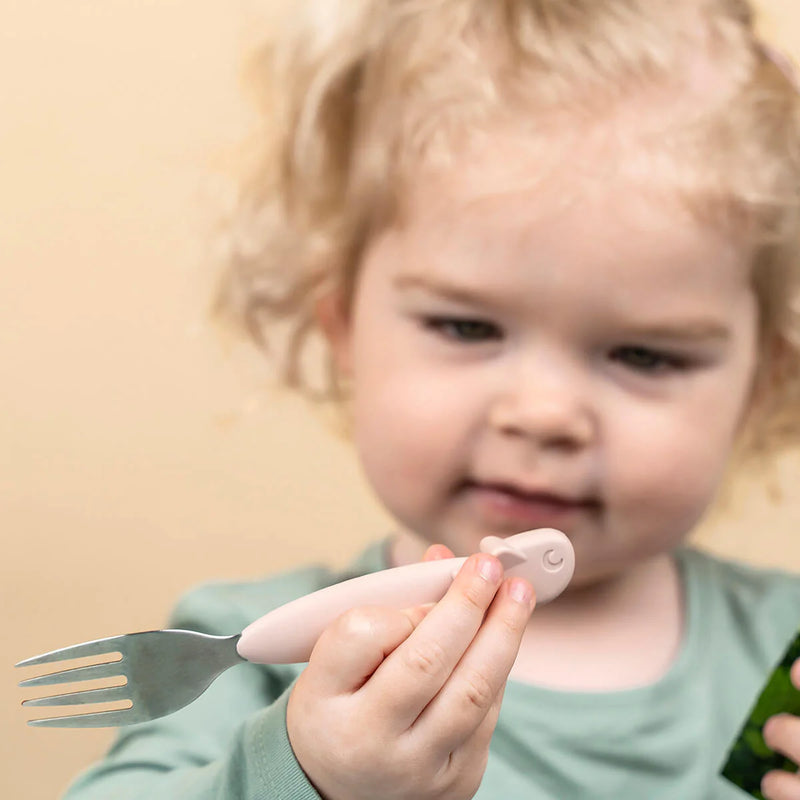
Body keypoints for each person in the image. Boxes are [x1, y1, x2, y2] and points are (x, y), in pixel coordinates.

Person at [63, 1, 800, 798]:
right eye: (467, 326)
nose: (543, 414)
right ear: (344, 325)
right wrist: (304, 775)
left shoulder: (785, 656)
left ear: (764, 380)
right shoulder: (250, 660)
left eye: (643, 354)